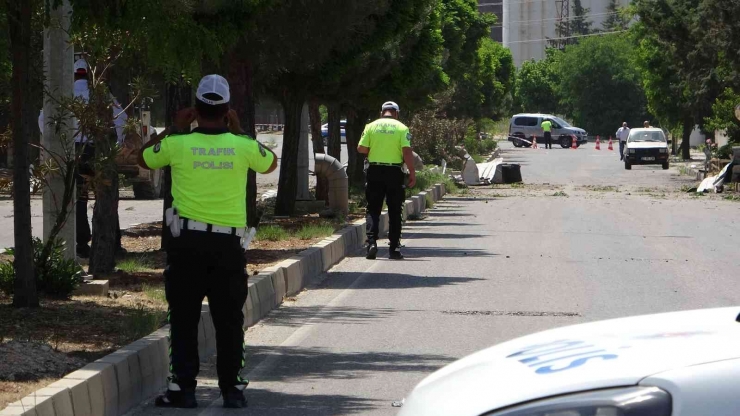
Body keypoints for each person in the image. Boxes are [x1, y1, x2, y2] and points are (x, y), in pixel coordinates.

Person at [138, 74, 277, 409]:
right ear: (228, 110)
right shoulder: (242, 146)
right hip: (228, 248)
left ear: (195, 111)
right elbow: (270, 162)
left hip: (186, 245)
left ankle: (182, 389)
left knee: (184, 318)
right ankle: (232, 390)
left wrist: (173, 128)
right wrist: (240, 130)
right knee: (229, 321)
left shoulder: (176, 144)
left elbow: (143, 158)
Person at [39, 59, 127, 257]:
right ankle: (112, 243)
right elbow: (122, 118)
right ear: (88, 74)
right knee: (106, 197)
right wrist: (116, 145)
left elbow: (43, 120)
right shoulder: (101, 95)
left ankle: (81, 244)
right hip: (99, 150)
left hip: (75, 152)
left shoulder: (63, 93)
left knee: (79, 199)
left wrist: (57, 142)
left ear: (71, 74)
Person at [357, 101, 416, 260]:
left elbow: (361, 148)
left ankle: (371, 244)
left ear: (381, 112)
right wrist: (412, 172)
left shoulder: (371, 126)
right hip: (394, 172)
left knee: (373, 209)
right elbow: (407, 151)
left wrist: (374, 148)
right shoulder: (402, 128)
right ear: (396, 113)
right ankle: (394, 249)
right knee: (395, 211)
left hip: (374, 171)